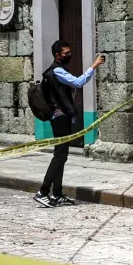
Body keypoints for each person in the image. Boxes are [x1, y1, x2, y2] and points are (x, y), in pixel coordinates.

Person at [35, 40, 103, 208]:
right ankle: (43, 192)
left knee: (62, 156)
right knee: (59, 156)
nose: (69, 56)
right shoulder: (57, 71)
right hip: (60, 119)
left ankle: (57, 193)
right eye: (66, 54)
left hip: (63, 117)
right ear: (57, 56)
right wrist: (93, 66)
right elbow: (78, 82)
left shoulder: (59, 70)